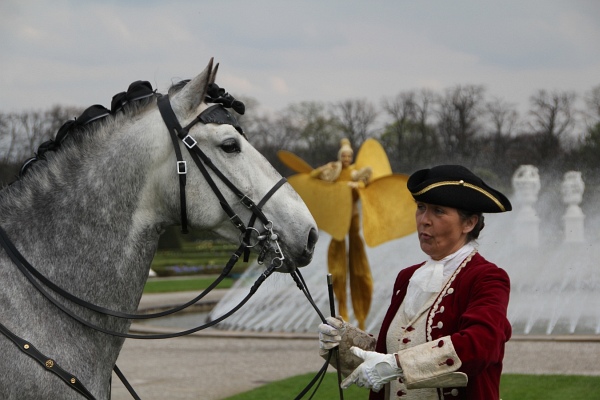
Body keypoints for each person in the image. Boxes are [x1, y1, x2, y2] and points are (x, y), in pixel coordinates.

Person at [318, 164, 513, 400]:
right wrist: (345, 342)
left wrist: (395, 364)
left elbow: (481, 345)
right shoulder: (407, 277)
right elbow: (390, 355)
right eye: (421, 208)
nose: (424, 220)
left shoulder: (487, 277)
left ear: (468, 223)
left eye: (438, 211)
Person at [309, 138, 373, 330]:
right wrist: (322, 170)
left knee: (359, 269)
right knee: (337, 270)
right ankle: (342, 309)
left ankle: (361, 315)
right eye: (343, 155)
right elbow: (312, 177)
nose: (346, 158)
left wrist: (357, 186)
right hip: (339, 222)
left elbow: (366, 184)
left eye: (348, 155)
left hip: (352, 221)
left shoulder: (356, 173)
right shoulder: (334, 171)